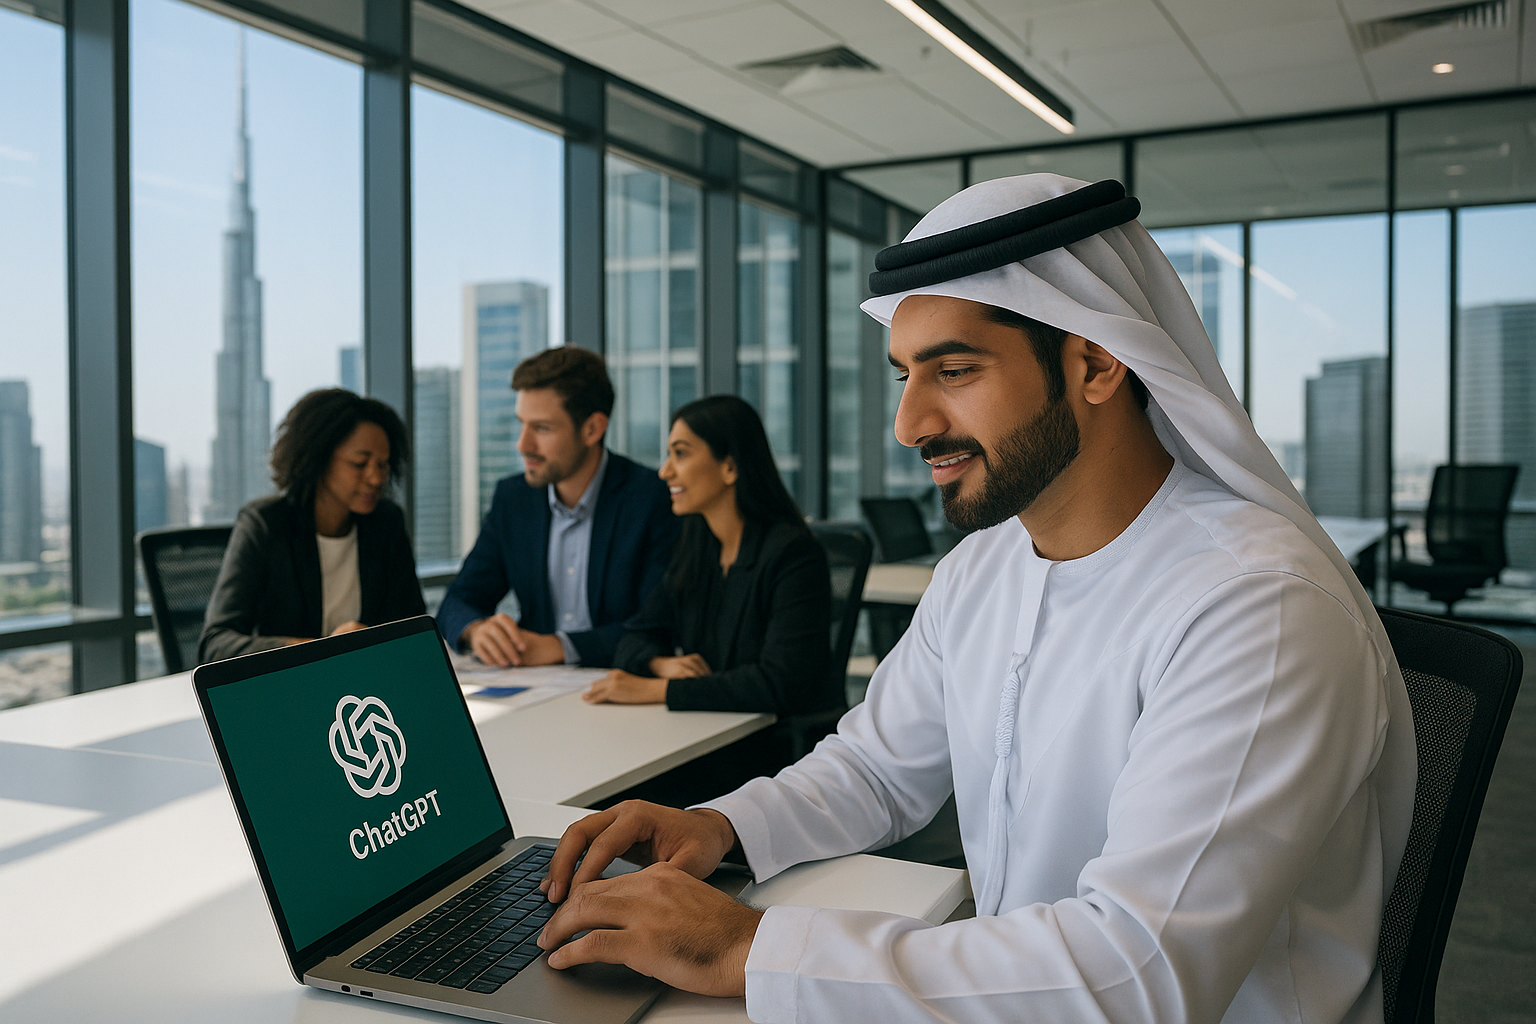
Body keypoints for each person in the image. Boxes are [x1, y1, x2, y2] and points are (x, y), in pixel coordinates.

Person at [529, 175, 1418, 1024]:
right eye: (904, 375)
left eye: (953, 370)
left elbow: (1139, 977)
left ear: (1096, 362)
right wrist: (721, 825)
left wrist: (751, 950)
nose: (909, 424)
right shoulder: (986, 566)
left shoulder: (1256, 605)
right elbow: (877, 768)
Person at [583, 395, 834, 715]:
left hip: (771, 748)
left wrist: (657, 689)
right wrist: (661, 665)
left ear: (729, 467)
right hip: (706, 732)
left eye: (681, 454)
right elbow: (637, 634)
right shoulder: (697, 544)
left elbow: (782, 681)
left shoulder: (793, 554)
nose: (664, 472)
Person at [436, 347, 677, 669]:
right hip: (537, 690)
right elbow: (458, 600)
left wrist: (560, 647)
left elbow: (658, 626)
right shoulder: (513, 498)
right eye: (522, 424)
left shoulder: (652, 499)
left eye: (542, 428)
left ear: (592, 428)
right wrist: (476, 630)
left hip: (624, 687)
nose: (523, 445)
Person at [199, 389, 425, 663]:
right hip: (289, 689)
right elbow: (216, 644)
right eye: (359, 463)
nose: (375, 478)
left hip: (365, 690)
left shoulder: (385, 523)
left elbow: (413, 629)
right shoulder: (266, 524)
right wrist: (315, 651)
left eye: (383, 465)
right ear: (318, 458)